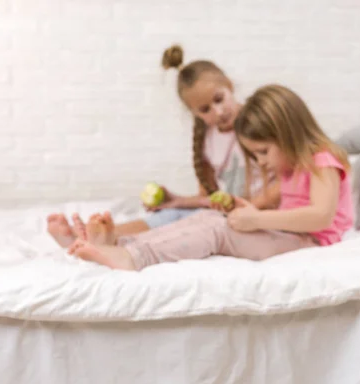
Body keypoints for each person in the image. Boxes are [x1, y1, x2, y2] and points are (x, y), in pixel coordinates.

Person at [68, 84, 354, 270]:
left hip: (309, 244)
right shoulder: (293, 168)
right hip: (289, 234)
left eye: (264, 151)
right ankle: (121, 245)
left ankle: (134, 259)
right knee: (208, 219)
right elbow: (264, 201)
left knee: (218, 232)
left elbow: (321, 216)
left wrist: (258, 220)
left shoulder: (322, 161)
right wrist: (238, 206)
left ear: (288, 135)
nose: (262, 162)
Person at [46, 45, 278, 248]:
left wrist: (250, 208)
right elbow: (208, 198)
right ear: (193, 112)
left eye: (219, 99)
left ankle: (105, 241)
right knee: (172, 215)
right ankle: (97, 236)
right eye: (204, 109)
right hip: (227, 212)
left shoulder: (257, 123)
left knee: (192, 225)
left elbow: (288, 180)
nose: (217, 112)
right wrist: (176, 200)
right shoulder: (207, 140)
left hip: (257, 212)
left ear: (229, 85)